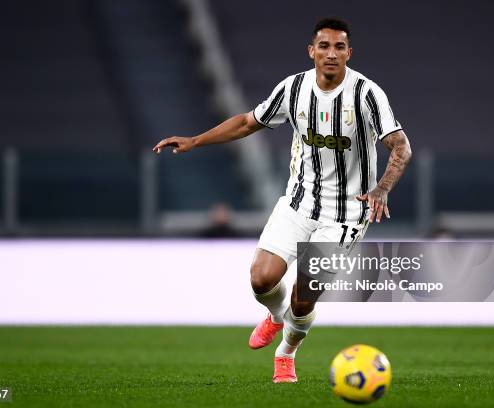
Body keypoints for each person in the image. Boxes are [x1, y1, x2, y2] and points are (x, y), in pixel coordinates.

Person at [153, 17, 412, 383]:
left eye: (339, 47)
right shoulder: (293, 90)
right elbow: (247, 123)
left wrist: (382, 188)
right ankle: (275, 317)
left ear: (349, 53)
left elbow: (400, 145)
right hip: (298, 202)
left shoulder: (367, 94)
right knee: (262, 278)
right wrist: (195, 140)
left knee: (304, 295)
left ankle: (286, 353)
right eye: (324, 46)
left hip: (346, 212)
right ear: (312, 51)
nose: (331, 54)